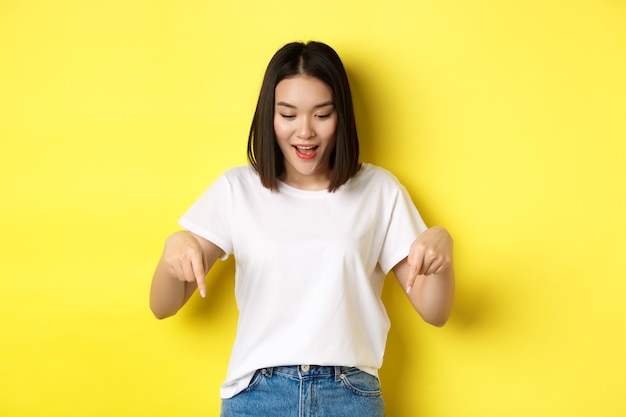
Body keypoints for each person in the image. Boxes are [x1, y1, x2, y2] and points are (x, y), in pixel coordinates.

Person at [150, 41, 455, 417]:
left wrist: (443, 251)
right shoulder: (236, 190)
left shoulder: (379, 190)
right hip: (257, 396)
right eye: (288, 114)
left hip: (349, 396)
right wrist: (173, 250)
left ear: (341, 115)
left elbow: (434, 311)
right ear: (269, 116)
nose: (305, 132)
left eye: (322, 115)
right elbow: (162, 306)